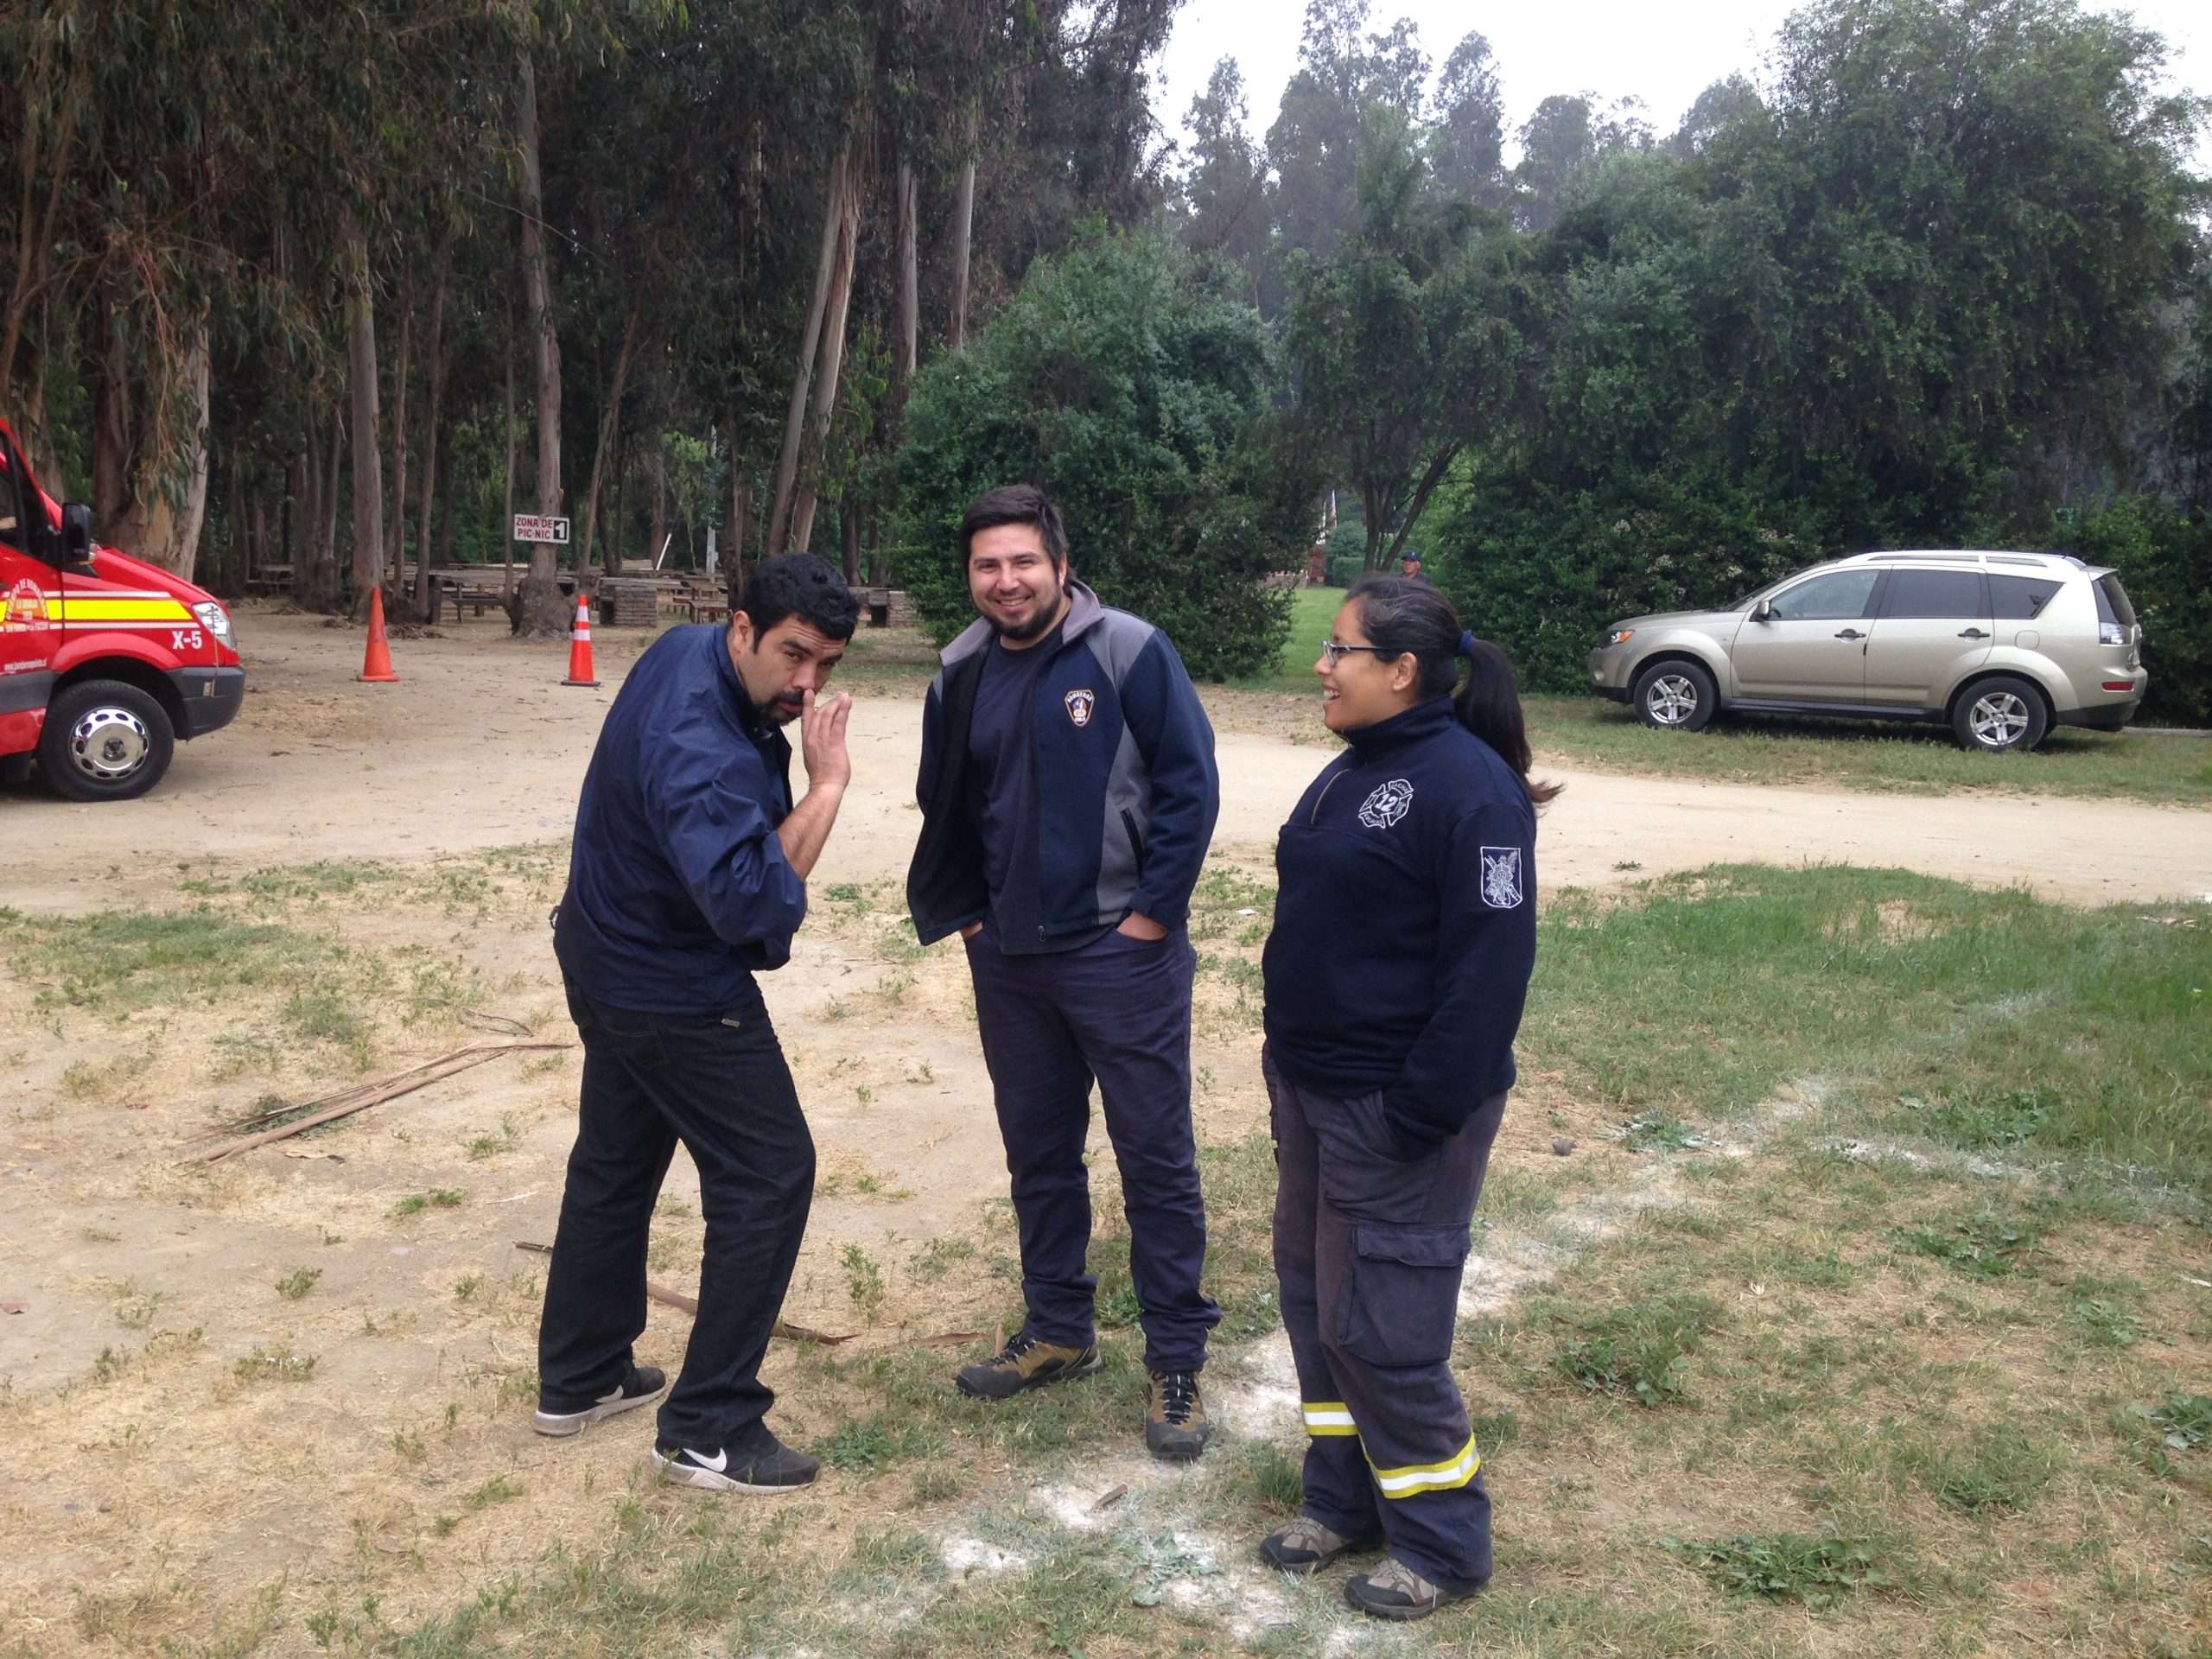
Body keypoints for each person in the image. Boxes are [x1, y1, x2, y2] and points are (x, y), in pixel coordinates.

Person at [1256, 575, 1557, 1619]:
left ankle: (1440, 1543)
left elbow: (1490, 972)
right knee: (1316, 1306)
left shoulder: (1473, 792)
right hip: (1313, 1090)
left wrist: (1418, 1113)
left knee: (1382, 1327)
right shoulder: (1354, 767)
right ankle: (1343, 1500)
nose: (1320, 666)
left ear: (1402, 670)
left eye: (1339, 650)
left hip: (1398, 1110)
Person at [906, 485, 1224, 1461]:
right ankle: (1057, 1329)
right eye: (987, 565)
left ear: (1059, 564)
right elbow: (946, 802)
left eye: (1022, 562)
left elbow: (1190, 784)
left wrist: (1149, 918)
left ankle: (1176, 1361)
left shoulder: (1127, 651)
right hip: (1009, 960)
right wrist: (970, 919)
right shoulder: (959, 670)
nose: (1006, 581)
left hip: (1119, 955)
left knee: (1154, 1158)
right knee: (1038, 1153)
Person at [533, 553, 858, 1496]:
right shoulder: (701, 746)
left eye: (827, 665)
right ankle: (709, 1428)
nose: (807, 686)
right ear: (743, 629)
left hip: (601, 952)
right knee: (770, 1171)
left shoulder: (684, 649)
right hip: (669, 986)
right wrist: (826, 787)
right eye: (794, 655)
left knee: (616, 1161)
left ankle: (584, 1373)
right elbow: (753, 907)